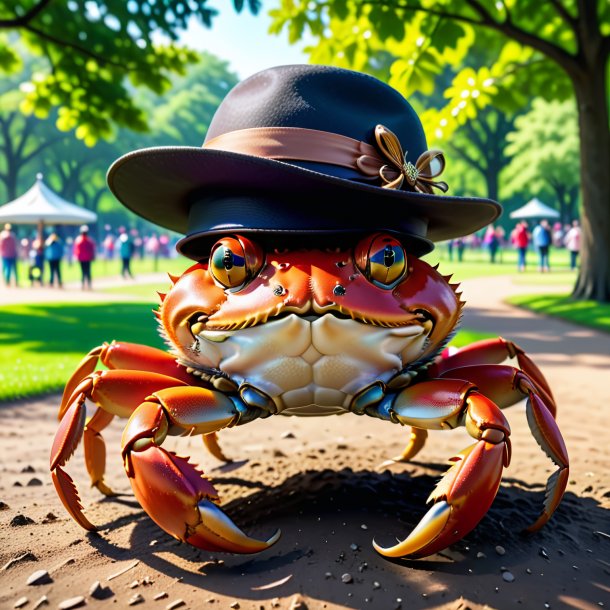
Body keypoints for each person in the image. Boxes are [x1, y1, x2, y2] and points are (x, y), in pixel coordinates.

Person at [73, 225, 96, 289]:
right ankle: (88, 285)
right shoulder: (89, 240)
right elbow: (92, 249)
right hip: (86, 258)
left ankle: (84, 285)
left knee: (84, 272)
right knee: (87, 271)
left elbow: (76, 250)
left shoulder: (79, 240)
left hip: (83, 258)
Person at [0, 223, 19, 287]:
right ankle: (14, 282)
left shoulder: (2, 235)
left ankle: (9, 282)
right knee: (11, 269)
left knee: (8, 269)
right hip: (10, 254)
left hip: (6, 254)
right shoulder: (12, 235)